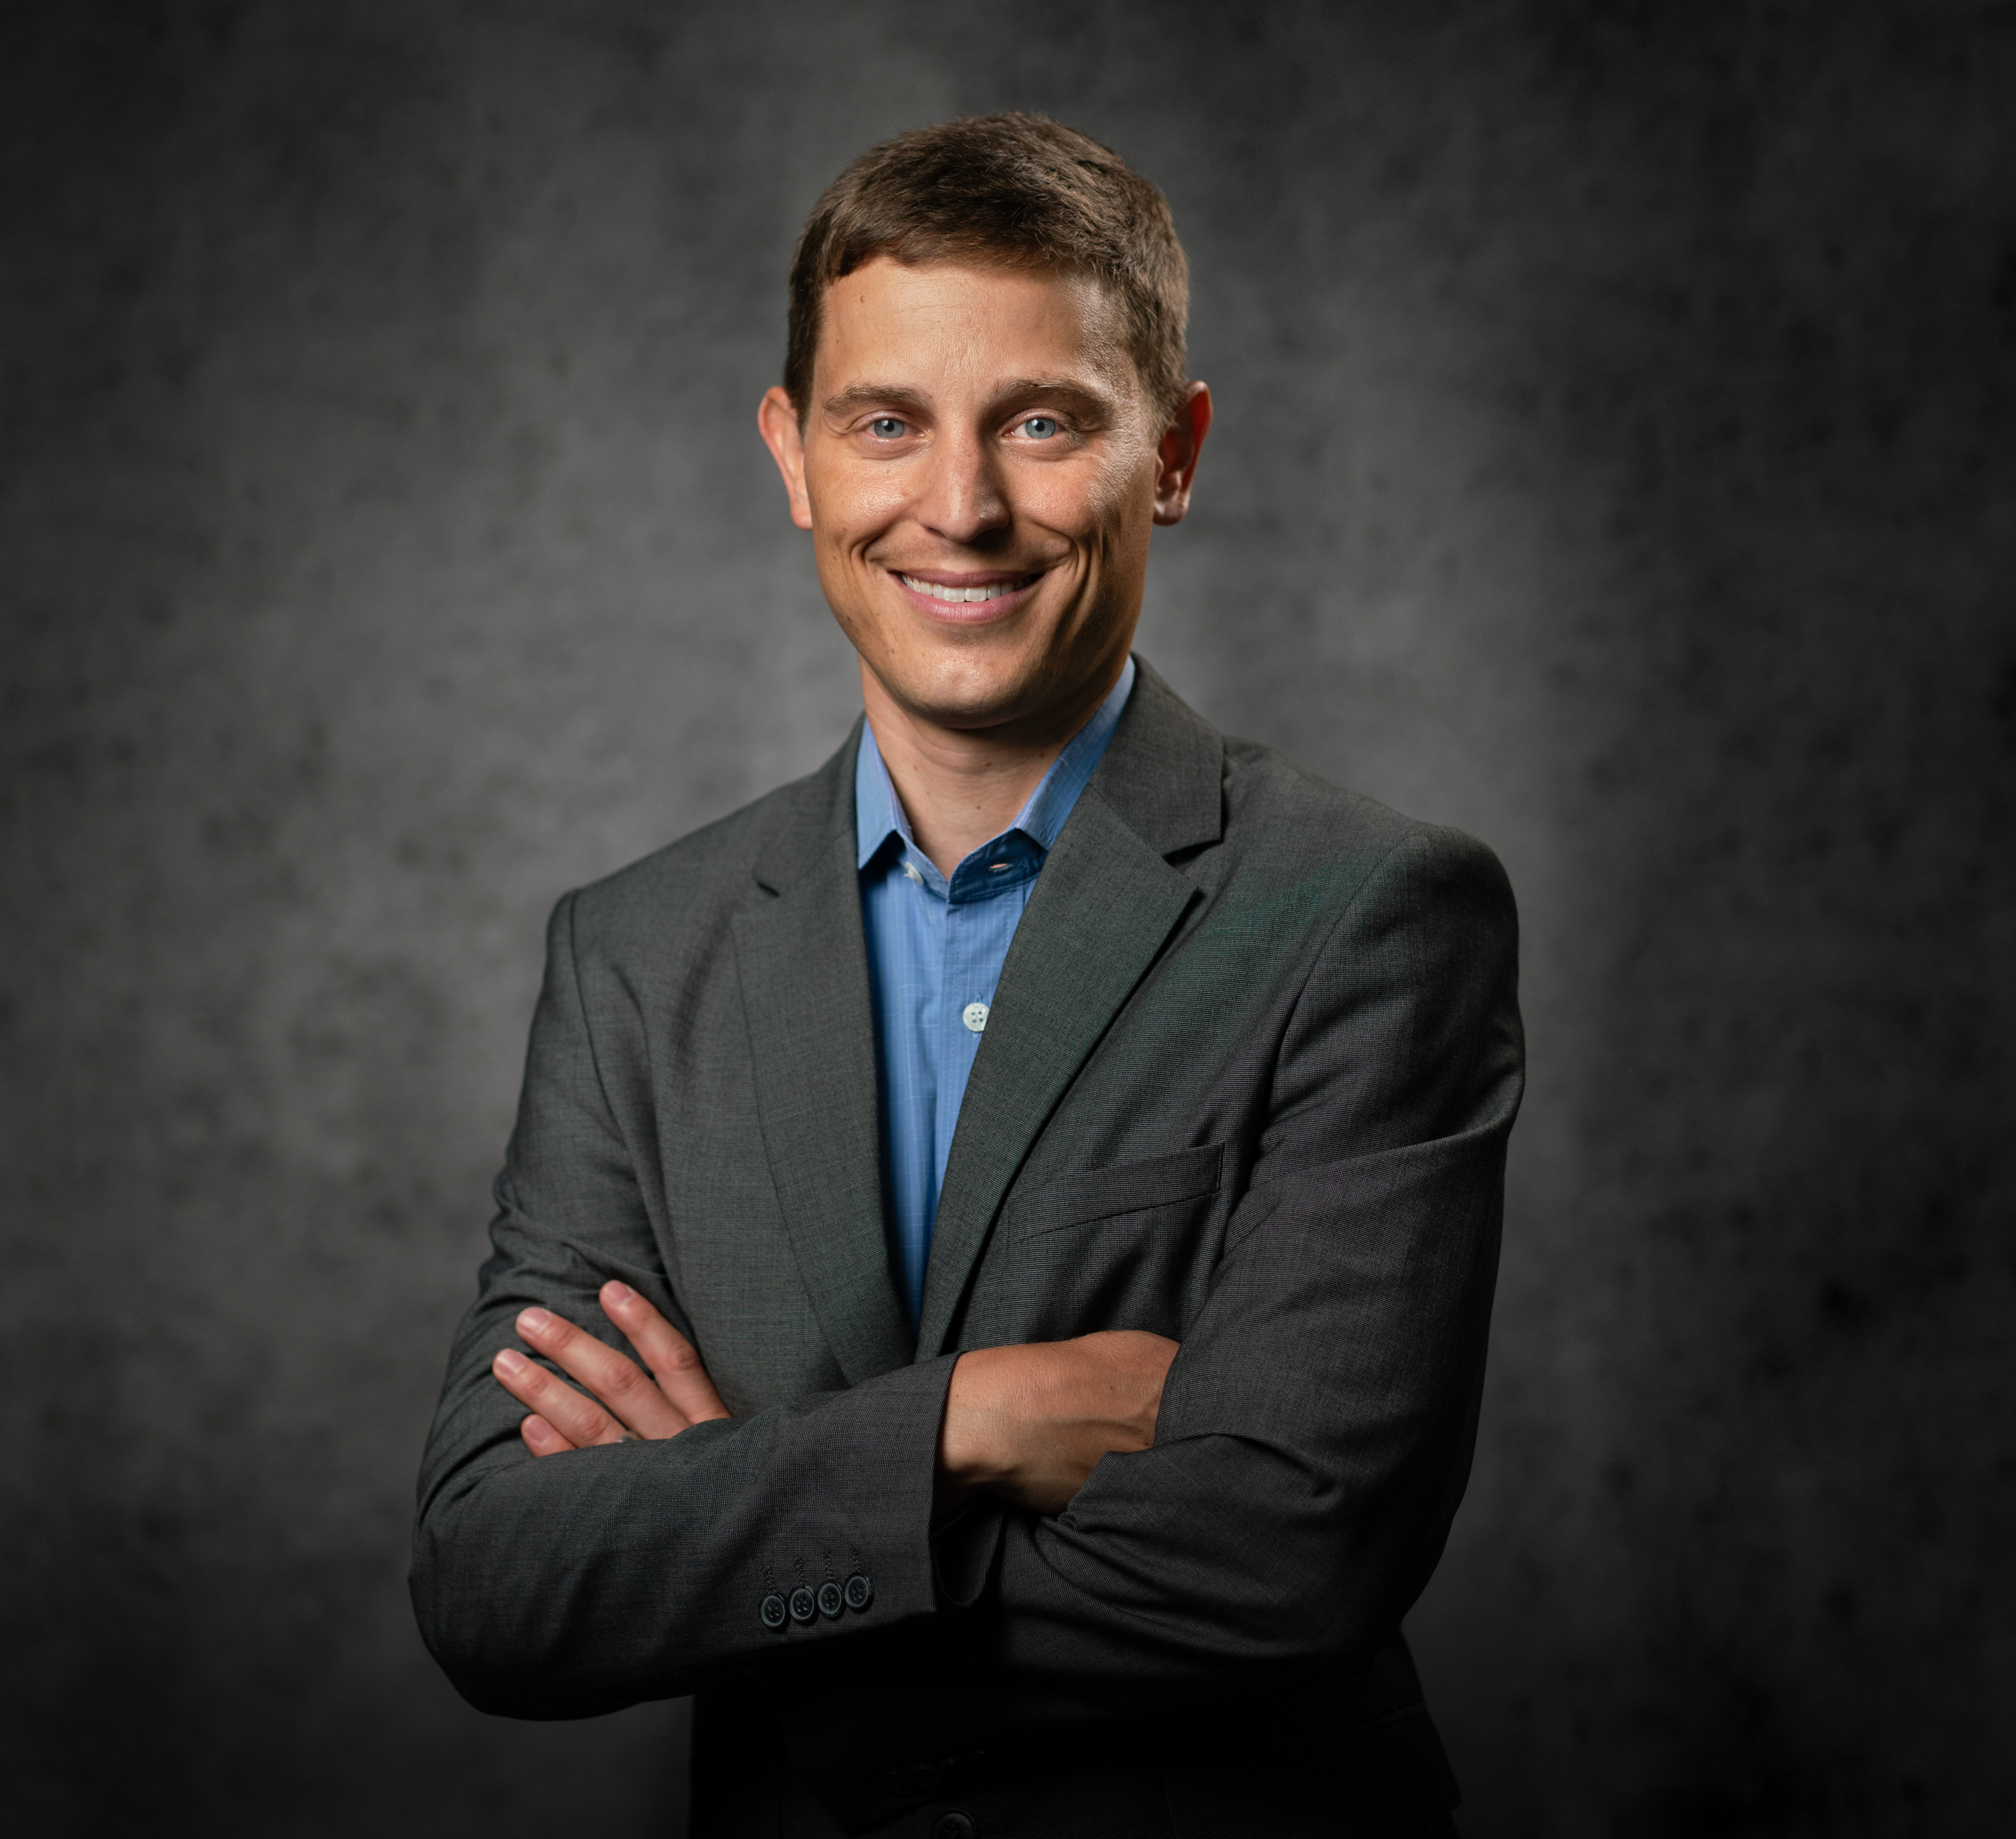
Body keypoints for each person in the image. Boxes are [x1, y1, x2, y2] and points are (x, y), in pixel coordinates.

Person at [411, 113, 1523, 1839]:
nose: (961, 508)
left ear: (1174, 451)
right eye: (886, 423)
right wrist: (970, 1423)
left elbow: (1294, 1553)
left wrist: (735, 1543)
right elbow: (496, 1573)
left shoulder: (1371, 915)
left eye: (1042, 421)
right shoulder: (635, 955)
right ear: (793, 455)